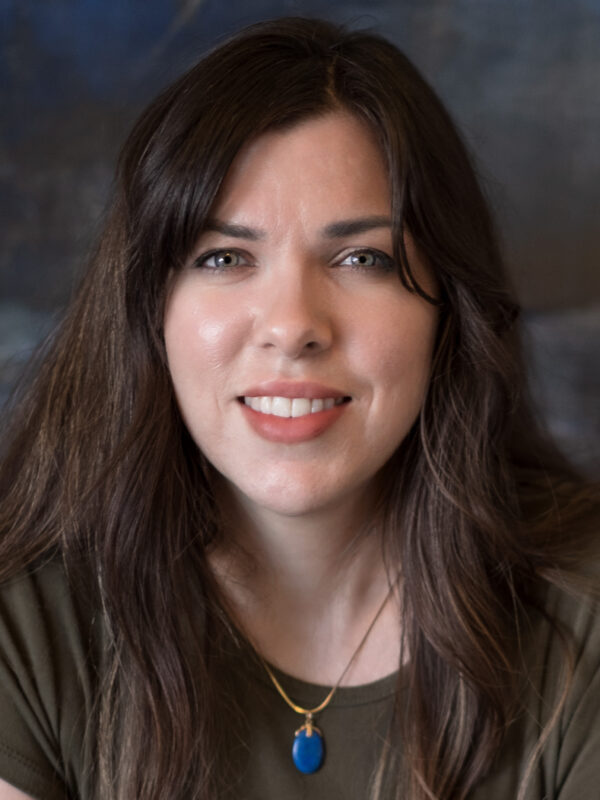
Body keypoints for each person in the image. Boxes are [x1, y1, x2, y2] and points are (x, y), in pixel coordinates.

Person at [0, 16, 598, 800]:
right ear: (149, 310)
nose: (292, 326)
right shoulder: (26, 627)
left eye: (361, 258)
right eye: (224, 256)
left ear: (449, 310)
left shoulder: (583, 614)